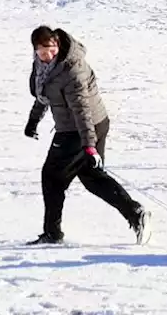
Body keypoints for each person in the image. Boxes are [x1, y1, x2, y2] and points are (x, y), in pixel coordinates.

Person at [23, 25, 152, 245]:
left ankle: (52, 233)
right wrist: (33, 120)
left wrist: (89, 145)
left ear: (58, 44)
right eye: (42, 52)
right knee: (92, 177)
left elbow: (81, 109)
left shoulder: (71, 69)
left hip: (80, 128)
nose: (47, 56)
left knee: (52, 177)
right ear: (35, 50)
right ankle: (135, 213)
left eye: (51, 50)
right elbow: (46, 94)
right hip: (90, 124)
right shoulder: (44, 67)